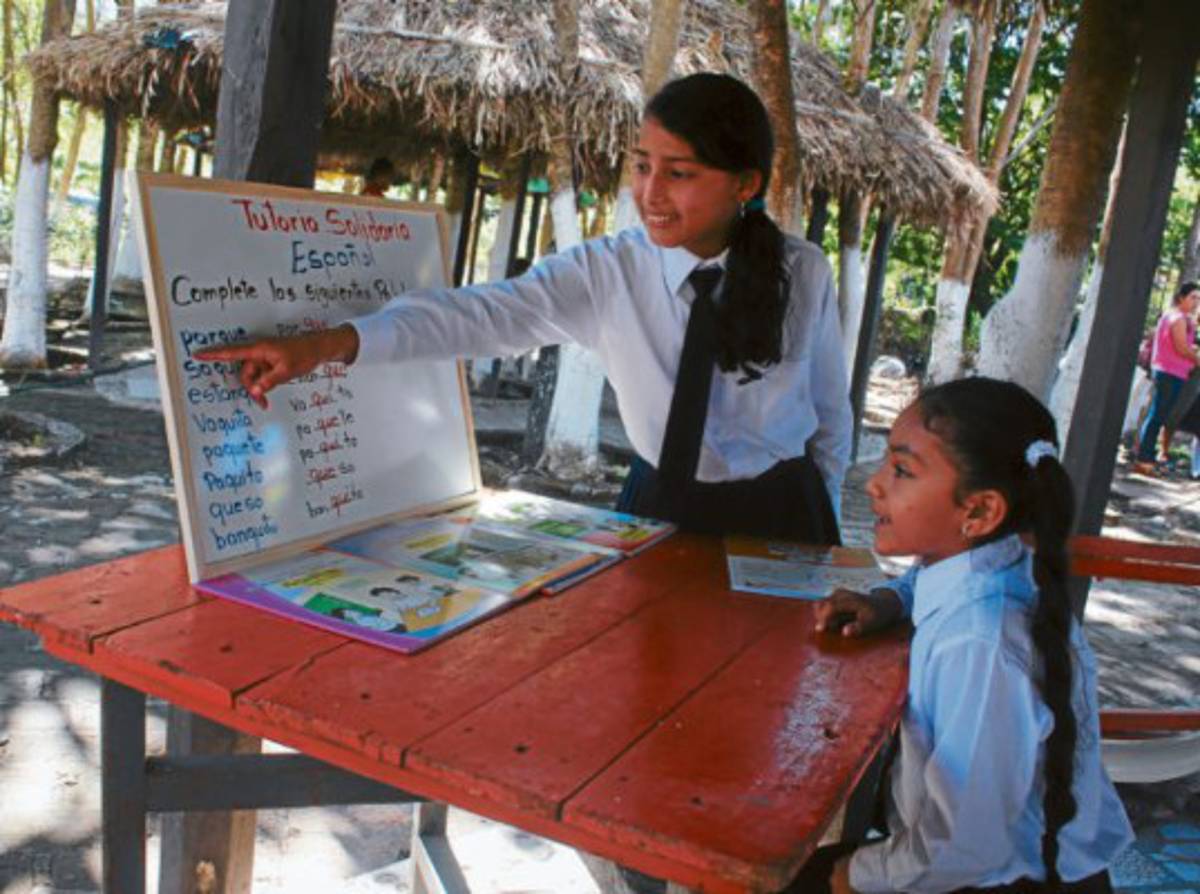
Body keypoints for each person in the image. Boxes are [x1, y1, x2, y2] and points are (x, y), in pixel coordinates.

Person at [196, 73, 851, 542]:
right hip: (658, 504)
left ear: (745, 184)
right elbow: (482, 314)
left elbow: (828, 412)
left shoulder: (802, 272)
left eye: (679, 174)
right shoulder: (608, 271)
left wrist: (824, 521)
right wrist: (329, 344)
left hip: (781, 513)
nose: (651, 193)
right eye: (642, 166)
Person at [797, 377, 1132, 894]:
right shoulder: (996, 565)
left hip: (1003, 878)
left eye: (902, 470)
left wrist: (856, 876)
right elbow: (925, 581)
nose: (875, 485)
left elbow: (963, 846)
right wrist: (890, 601)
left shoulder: (979, 645)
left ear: (979, 512)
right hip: (997, 859)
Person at [1134, 281, 1200, 476]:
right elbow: (1181, 348)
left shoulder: (1177, 317)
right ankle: (1144, 460)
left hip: (1172, 372)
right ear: (1181, 297)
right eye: (1193, 297)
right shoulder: (1177, 318)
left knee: (1158, 416)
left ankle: (1147, 457)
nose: (1196, 302)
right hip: (1169, 372)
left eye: (1198, 298)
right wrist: (1197, 359)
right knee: (1156, 416)